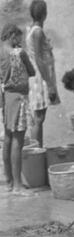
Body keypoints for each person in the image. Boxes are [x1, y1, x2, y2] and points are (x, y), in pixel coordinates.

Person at [0, 24, 35, 194]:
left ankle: (9, 181)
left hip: (6, 97)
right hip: (19, 97)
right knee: (18, 140)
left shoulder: (0, 52)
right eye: (18, 38)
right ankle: (17, 186)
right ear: (13, 35)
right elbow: (32, 71)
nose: (19, 42)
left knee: (7, 138)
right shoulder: (18, 53)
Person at [26, 0, 60, 147]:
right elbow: (39, 60)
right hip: (41, 79)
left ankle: (37, 148)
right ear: (44, 14)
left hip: (38, 78)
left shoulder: (32, 31)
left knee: (39, 118)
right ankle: (36, 150)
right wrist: (50, 84)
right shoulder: (38, 32)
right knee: (38, 118)